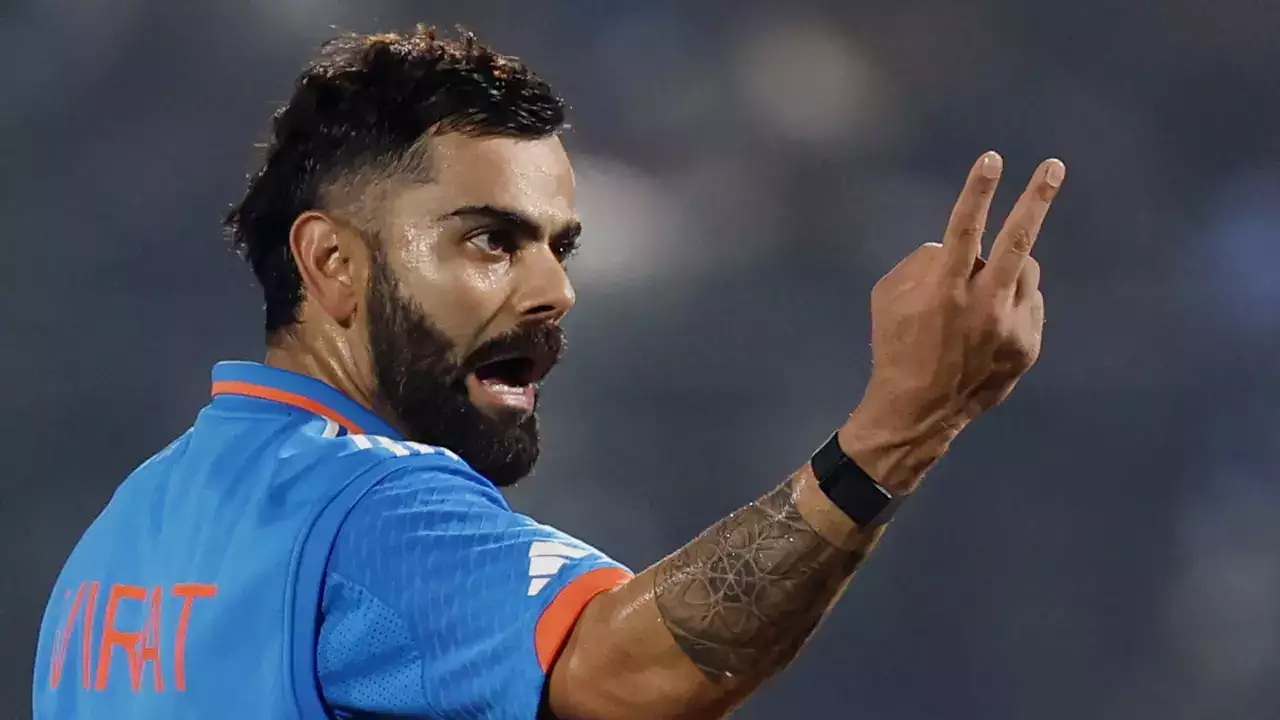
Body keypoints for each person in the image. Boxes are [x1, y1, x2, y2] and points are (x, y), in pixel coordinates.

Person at [32, 27, 1065, 720]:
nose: (554, 291)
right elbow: (634, 674)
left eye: (558, 248)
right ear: (333, 264)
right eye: (490, 240)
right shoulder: (370, 509)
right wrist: (898, 428)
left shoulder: (118, 540)